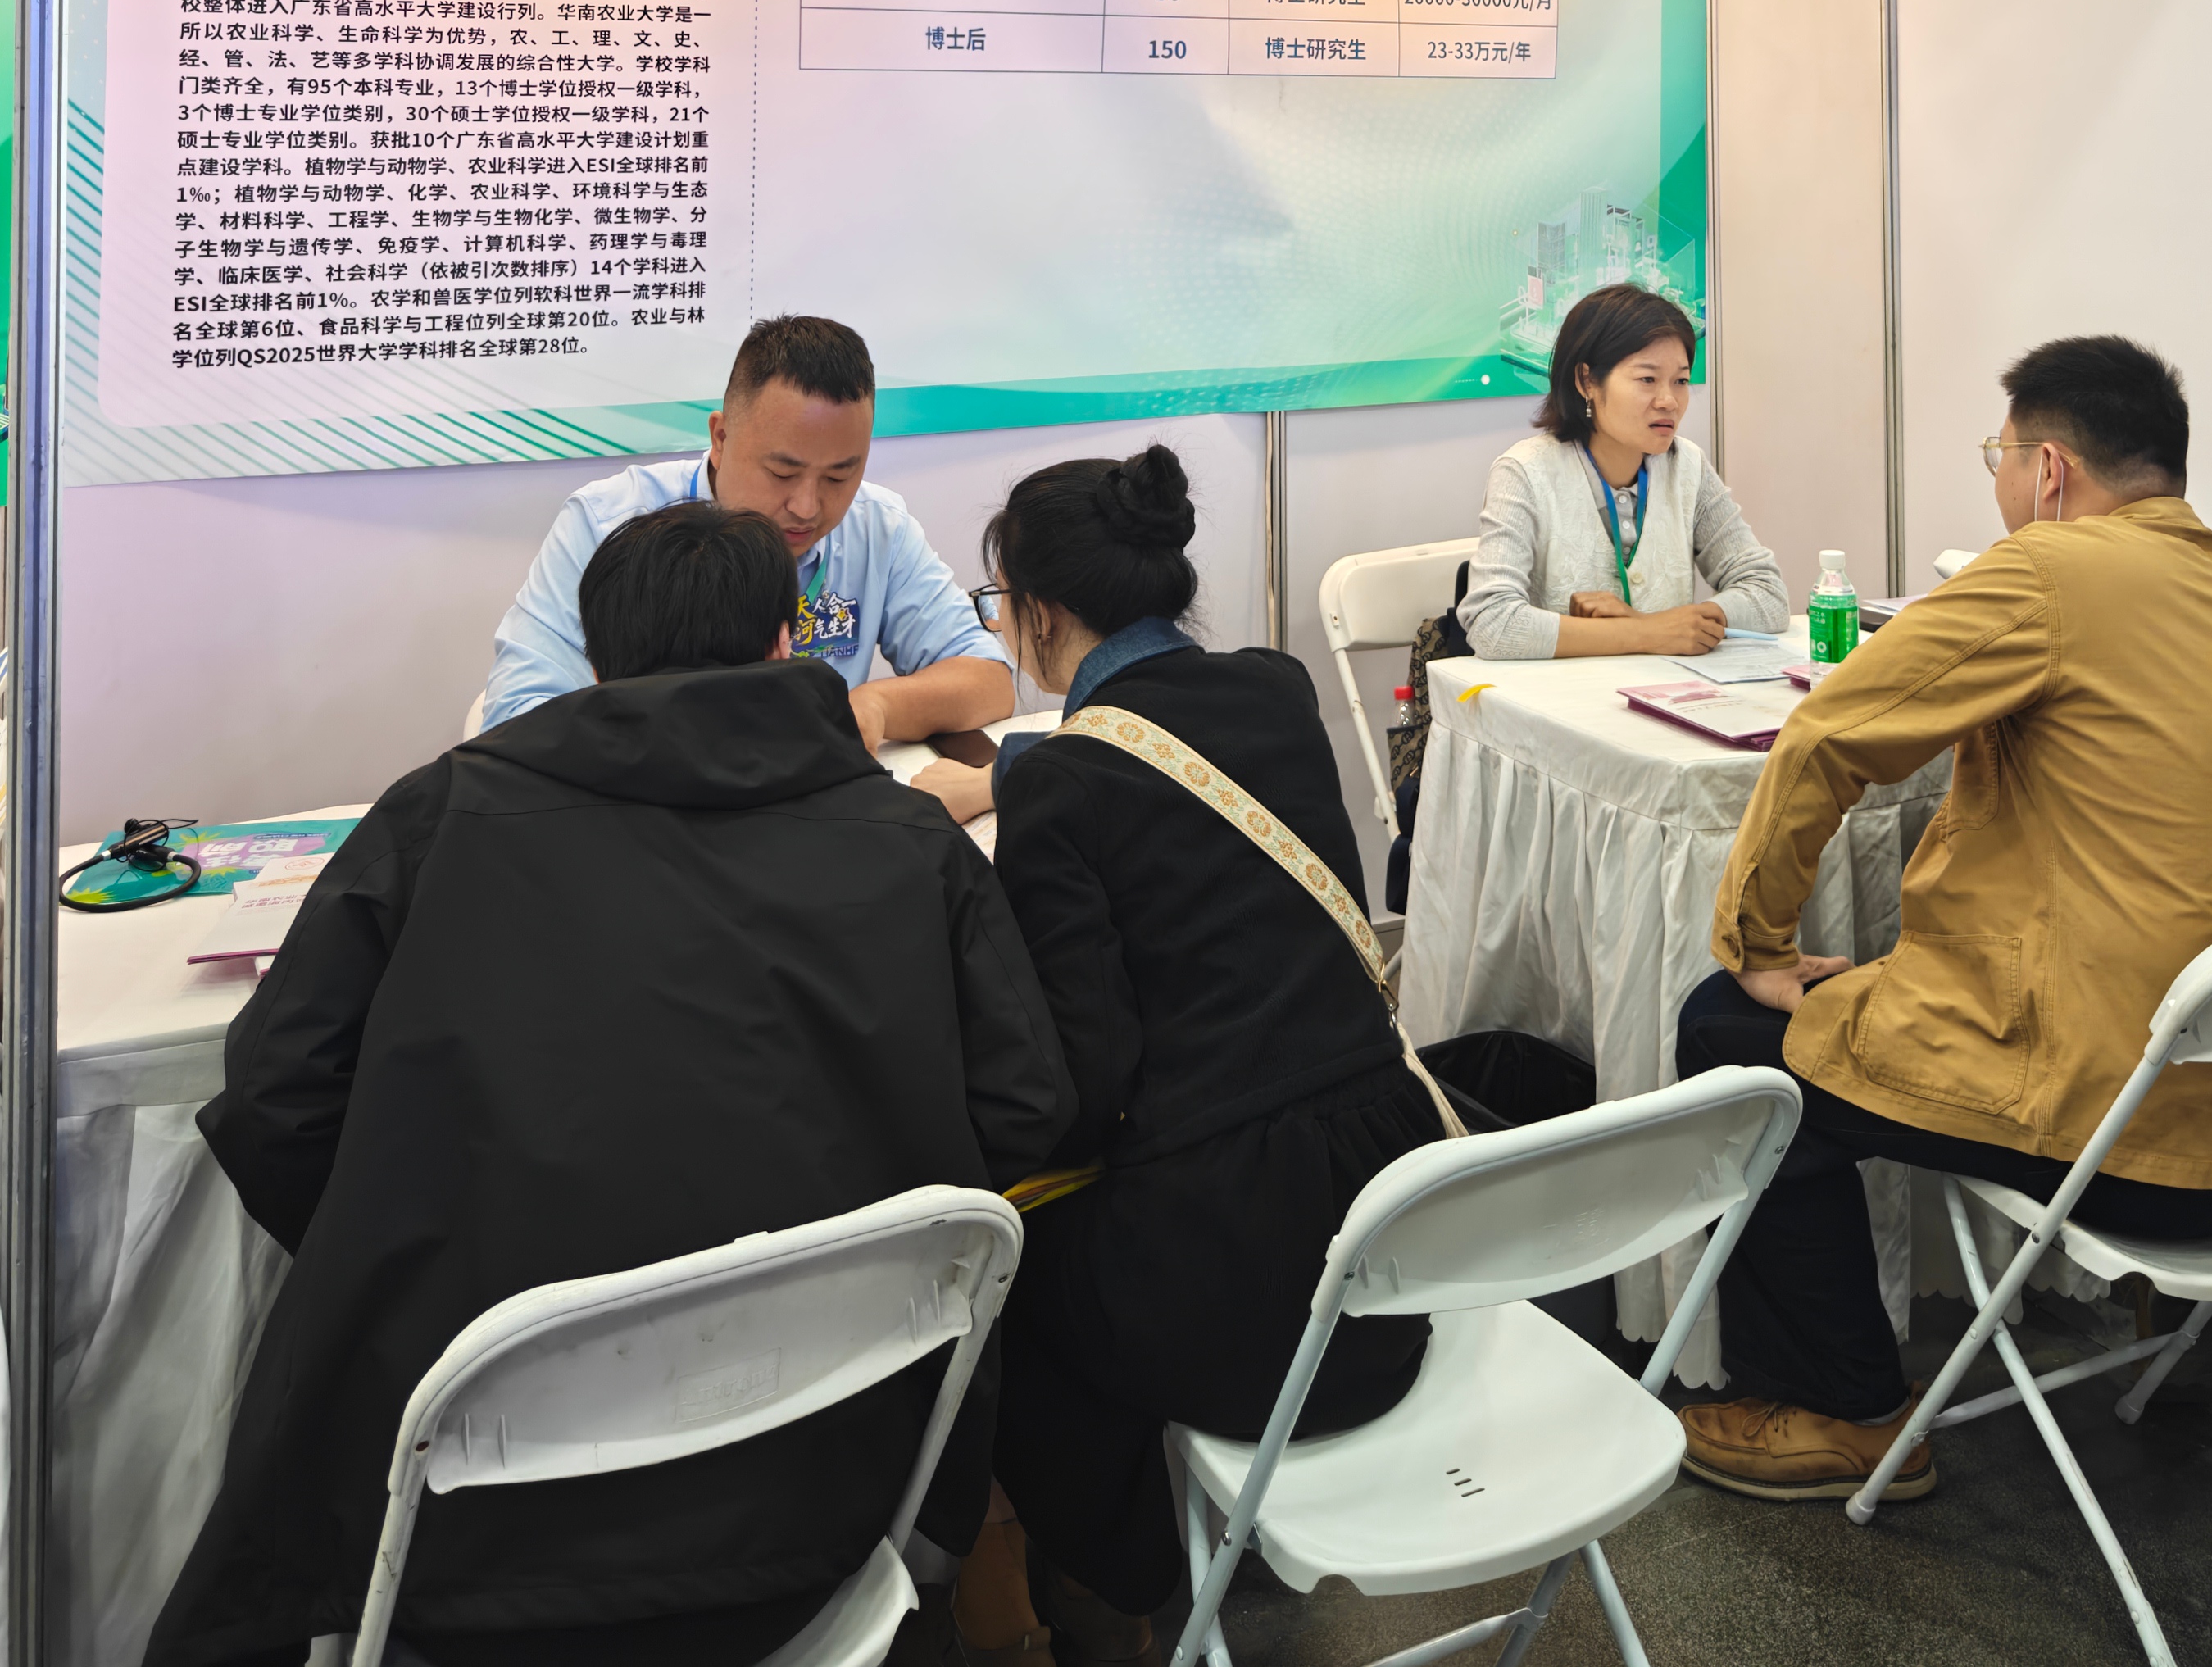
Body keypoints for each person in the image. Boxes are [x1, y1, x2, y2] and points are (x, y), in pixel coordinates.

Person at [148, 502, 1072, 1667]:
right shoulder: (912, 841)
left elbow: (276, 1099)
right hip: (819, 1507)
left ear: (595, 657)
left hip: (456, 1538)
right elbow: (1026, 1108)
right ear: (787, 642)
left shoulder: (442, 816)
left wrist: (415, 1241)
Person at [1670, 335, 2212, 1505]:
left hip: (2145, 1158)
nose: (2002, 485)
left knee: (1730, 1028)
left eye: (2000, 458)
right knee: (2164, 966)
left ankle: (1842, 1410)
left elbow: (1825, 736)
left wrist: (1758, 946)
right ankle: (2180, 1338)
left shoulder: (2044, 571)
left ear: (2050, 468)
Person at [957, 445, 1447, 1664]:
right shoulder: (1277, 688)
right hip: (1393, 1255)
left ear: (1042, 611)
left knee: (1002, 1276)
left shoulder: (1060, 786)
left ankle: (1112, 1588)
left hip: (1244, 1303)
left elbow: (1085, 1091)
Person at [484, 313, 1011, 752]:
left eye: (839, 476)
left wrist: (873, 706)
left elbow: (988, 678)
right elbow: (517, 716)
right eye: (782, 473)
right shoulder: (609, 525)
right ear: (720, 437)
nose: (807, 507)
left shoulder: (878, 526)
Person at [1460, 280, 1787, 661]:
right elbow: (1493, 624)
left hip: (1668, 691)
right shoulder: (1524, 472)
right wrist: (1648, 631)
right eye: (1647, 379)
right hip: (1560, 694)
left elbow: (1768, 593)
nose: (1669, 401)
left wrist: (1674, 624)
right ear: (1586, 381)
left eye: (1681, 381)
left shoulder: (1688, 466)